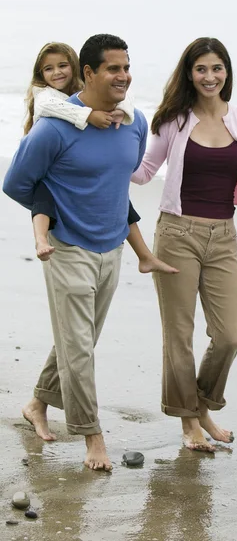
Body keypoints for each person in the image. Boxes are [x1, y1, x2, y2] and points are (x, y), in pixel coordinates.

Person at [131, 37, 237, 452]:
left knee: (229, 336)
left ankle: (203, 404)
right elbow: (143, 172)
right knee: (179, 334)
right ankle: (189, 421)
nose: (210, 77)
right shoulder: (173, 119)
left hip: (224, 237)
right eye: (201, 69)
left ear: (227, 72)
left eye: (217, 68)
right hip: (177, 234)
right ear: (189, 74)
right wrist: (109, 143)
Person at [3, 33, 148, 470]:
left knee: (78, 343)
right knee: (80, 350)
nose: (123, 76)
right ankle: (92, 437)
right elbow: (16, 183)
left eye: (126, 67)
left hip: (112, 249)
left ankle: (37, 404)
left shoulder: (134, 122)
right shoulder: (53, 128)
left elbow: (121, 176)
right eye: (113, 68)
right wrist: (55, 215)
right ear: (88, 73)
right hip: (66, 249)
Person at [25, 41, 176, 275]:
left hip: (106, 240)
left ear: (77, 69)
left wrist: (123, 109)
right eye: (48, 69)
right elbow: (17, 181)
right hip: (49, 174)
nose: (57, 73)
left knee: (122, 206)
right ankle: (41, 240)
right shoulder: (45, 96)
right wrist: (90, 115)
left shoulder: (83, 92)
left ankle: (145, 256)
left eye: (63, 65)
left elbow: (126, 92)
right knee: (43, 202)